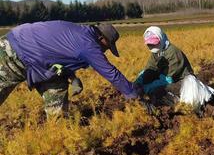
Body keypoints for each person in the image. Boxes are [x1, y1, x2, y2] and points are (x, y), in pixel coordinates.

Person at [0, 20, 140, 117]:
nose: (104, 50)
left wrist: (72, 77)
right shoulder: (89, 44)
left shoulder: (82, 32)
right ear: (101, 38)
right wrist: (133, 94)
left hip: (40, 62)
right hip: (14, 50)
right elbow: (110, 72)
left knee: (58, 88)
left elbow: (60, 54)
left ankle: (57, 133)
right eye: (107, 46)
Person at [135, 26, 214, 109]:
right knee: (146, 81)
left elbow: (168, 79)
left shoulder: (173, 52)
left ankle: (177, 106)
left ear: (161, 38)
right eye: (150, 44)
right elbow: (150, 69)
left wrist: (147, 87)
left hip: (181, 81)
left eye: (154, 43)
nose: (152, 46)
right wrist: (138, 82)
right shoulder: (157, 52)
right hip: (166, 78)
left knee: (158, 92)